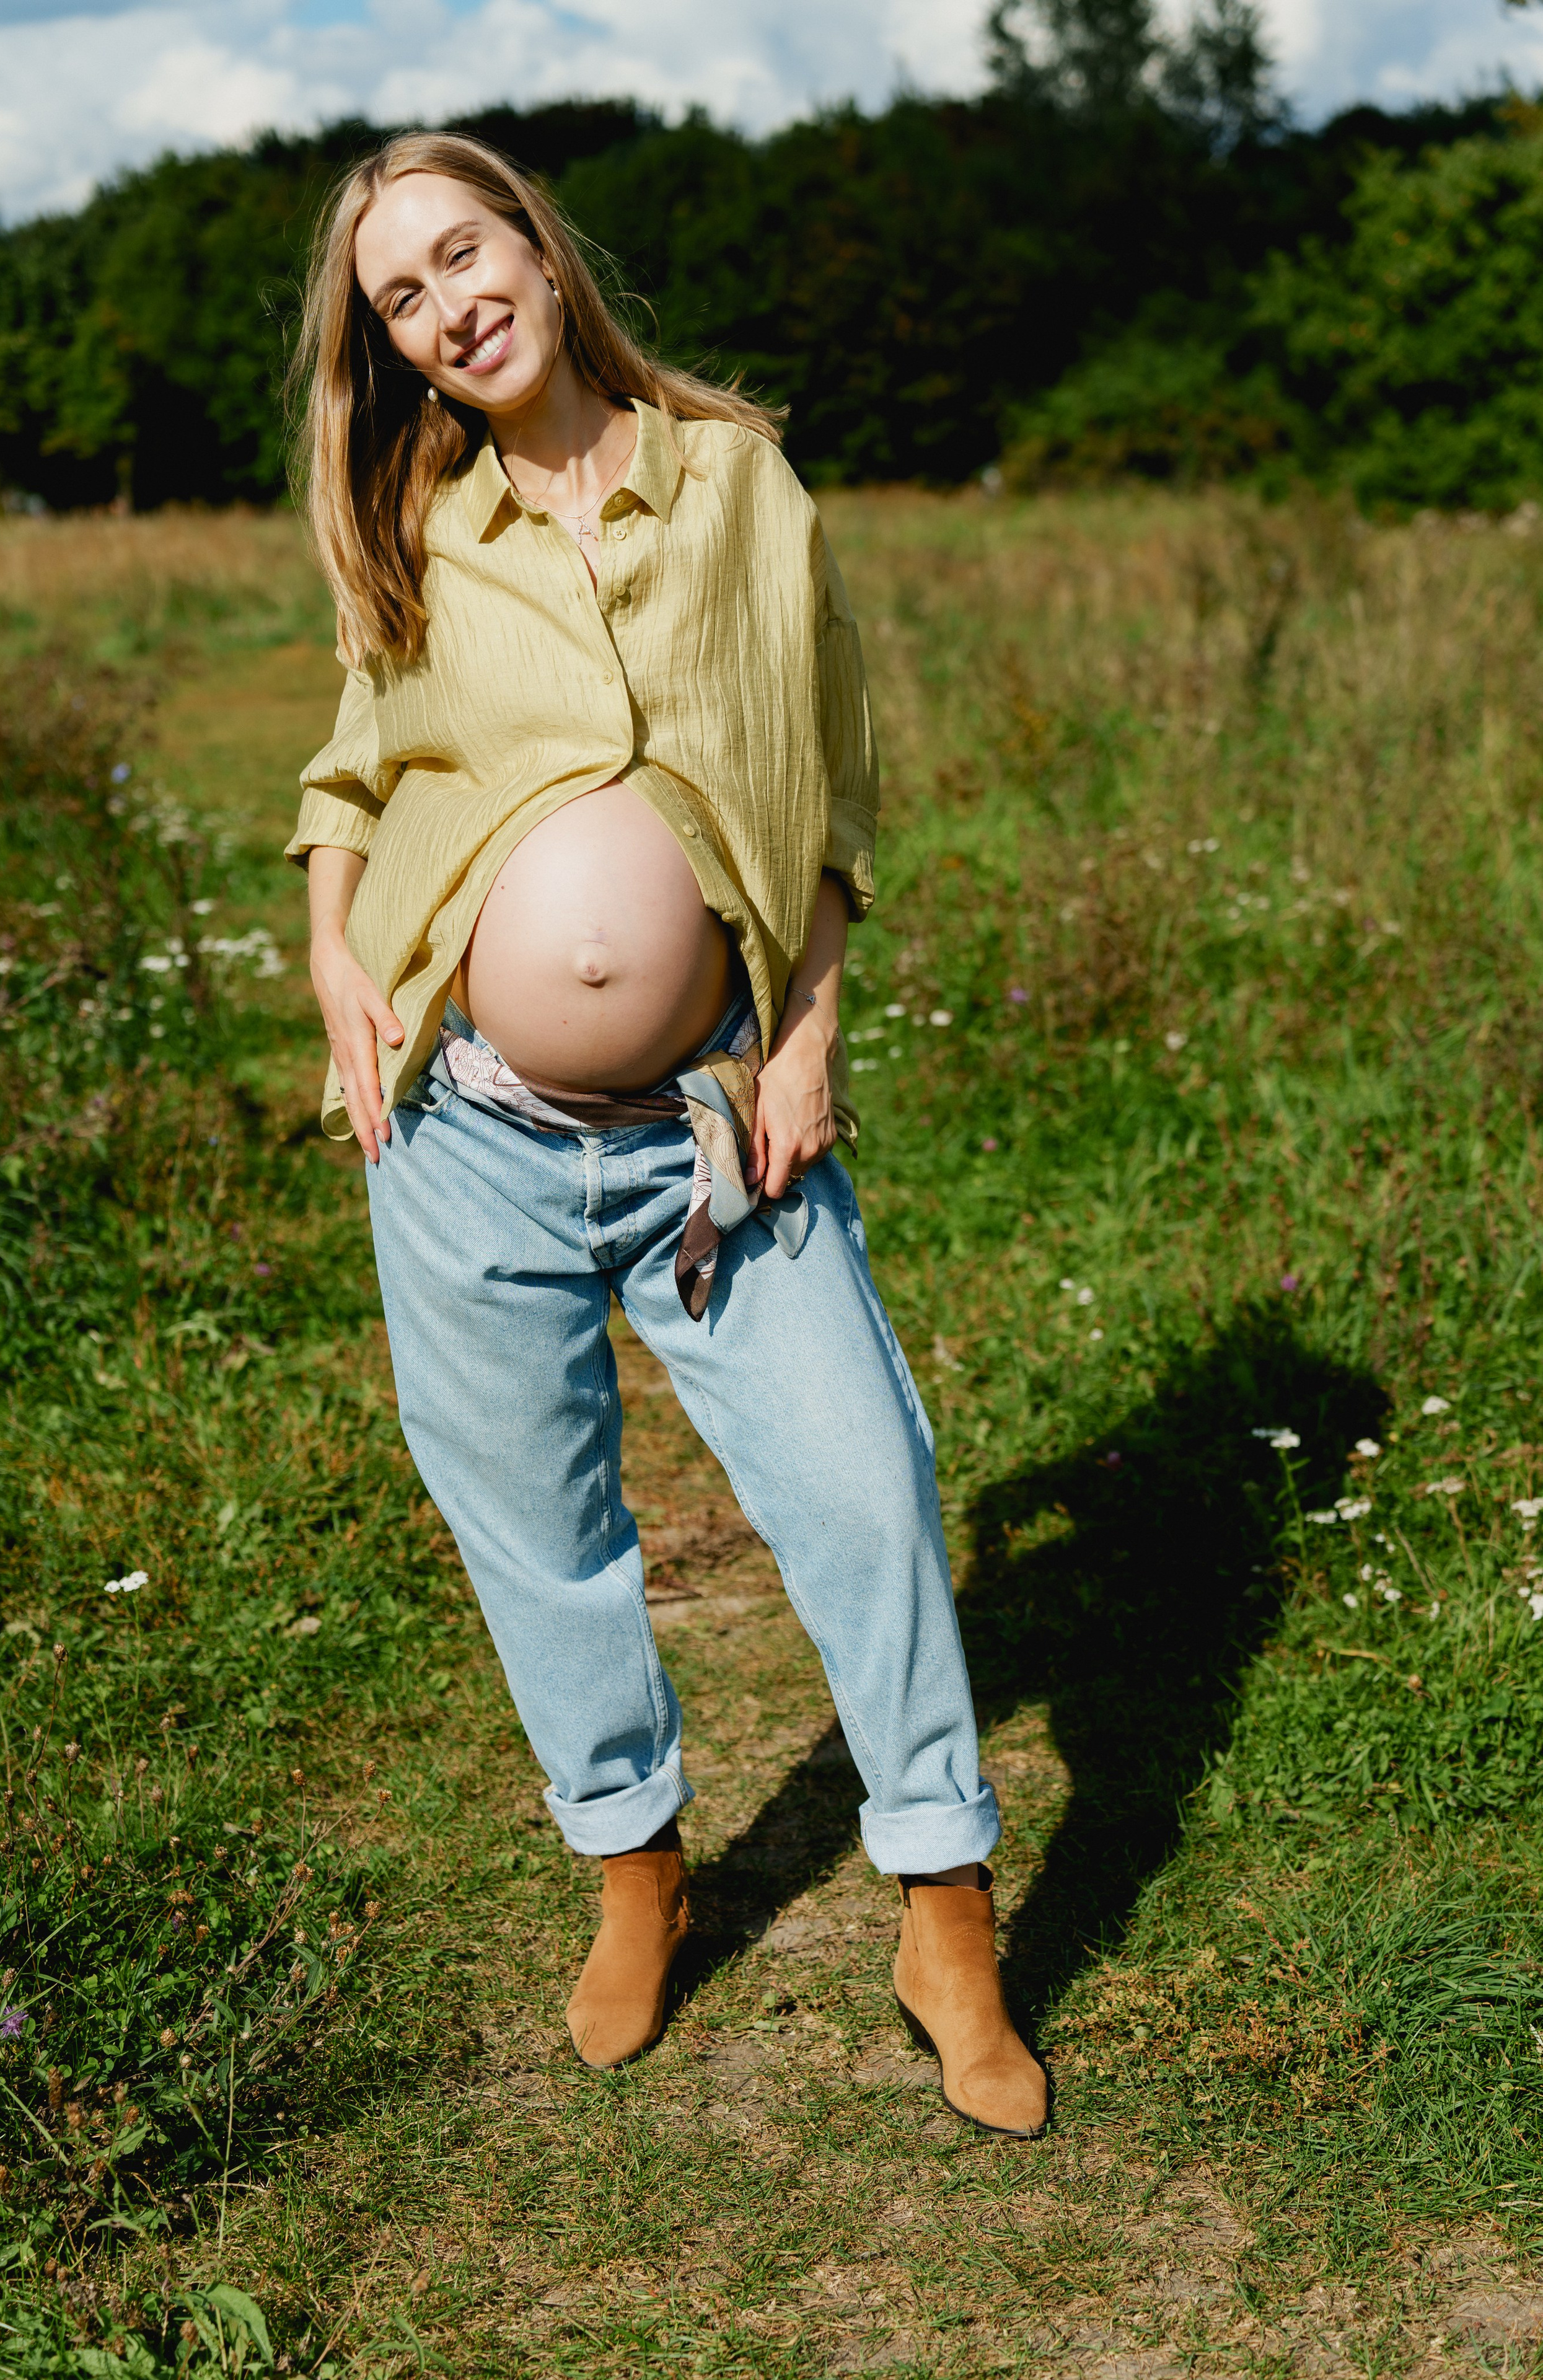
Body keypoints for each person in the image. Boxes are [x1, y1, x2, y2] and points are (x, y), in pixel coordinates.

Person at [286, 131, 1046, 2137]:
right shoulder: (418, 527)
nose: (450, 303)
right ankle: (637, 1861)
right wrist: (335, 966)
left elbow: (830, 783)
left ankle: (944, 1907)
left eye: (468, 251)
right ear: (397, 348)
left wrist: (804, 1040)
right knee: (537, 1530)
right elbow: (350, 772)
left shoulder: (736, 480)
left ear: (537, 242)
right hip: (469, 1135)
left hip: (721, 1122)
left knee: (869, 1487)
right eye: (402, 298)